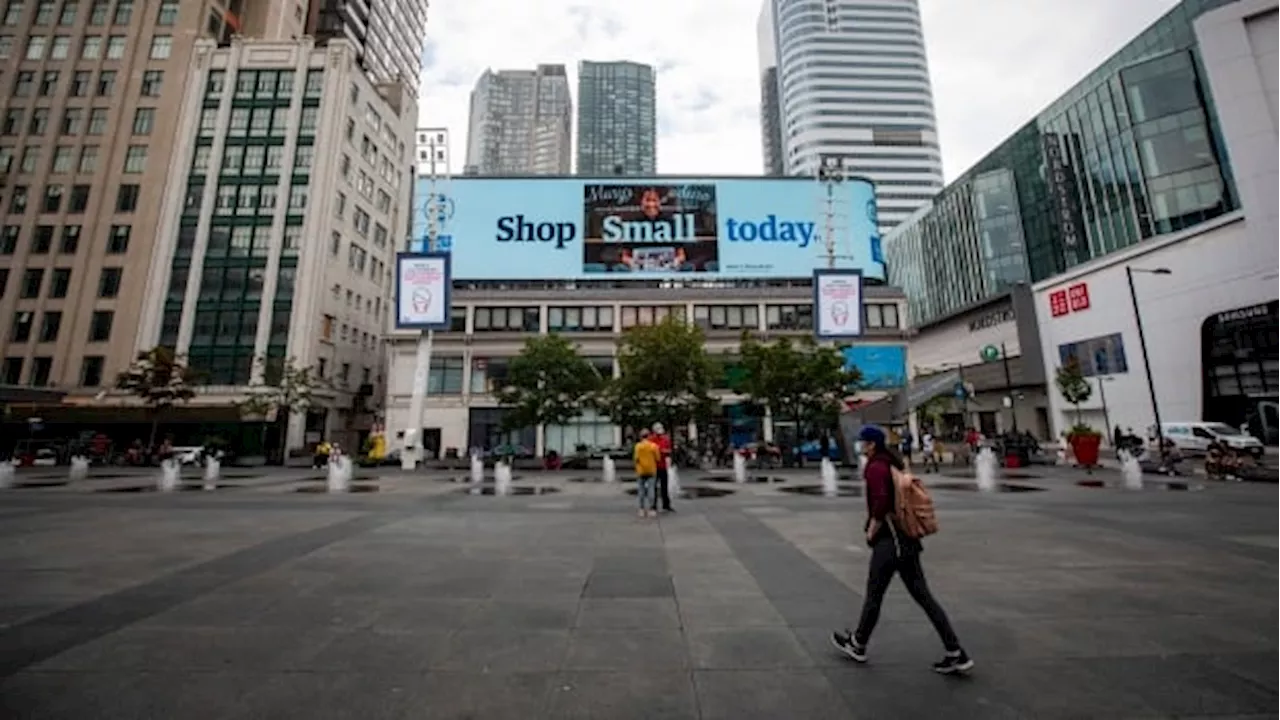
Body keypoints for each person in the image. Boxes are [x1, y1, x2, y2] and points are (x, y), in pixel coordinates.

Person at [832, 426, 973, 674]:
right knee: (923, 597)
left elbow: (881, 502)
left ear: (871, 444)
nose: (860, 445)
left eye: (862, 441)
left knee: (875, 595)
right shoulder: (892, 462)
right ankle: (955, 651)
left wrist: (871, 529)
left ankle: (859, 644)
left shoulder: (876, 467)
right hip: (906, 541)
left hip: (891, 541)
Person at [633, 430, 661, 518]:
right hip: (651, 470)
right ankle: (652, 509)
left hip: (641, 471)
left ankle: (641, 509)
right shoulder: (653, 446)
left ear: (641, 436)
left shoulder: (638, 446)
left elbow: (636, 458)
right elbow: (658, 458)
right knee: (651, 489)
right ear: (648, 436)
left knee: (641, 490)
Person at [651, 422, 674, 512]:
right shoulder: (651, 439)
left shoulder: (665, 439)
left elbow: (669, 450)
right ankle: (654, 504)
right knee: (654, 487)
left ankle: (666, 504)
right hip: (654, 465)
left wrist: (663, 451)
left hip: (663, 465)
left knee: (664, 486)